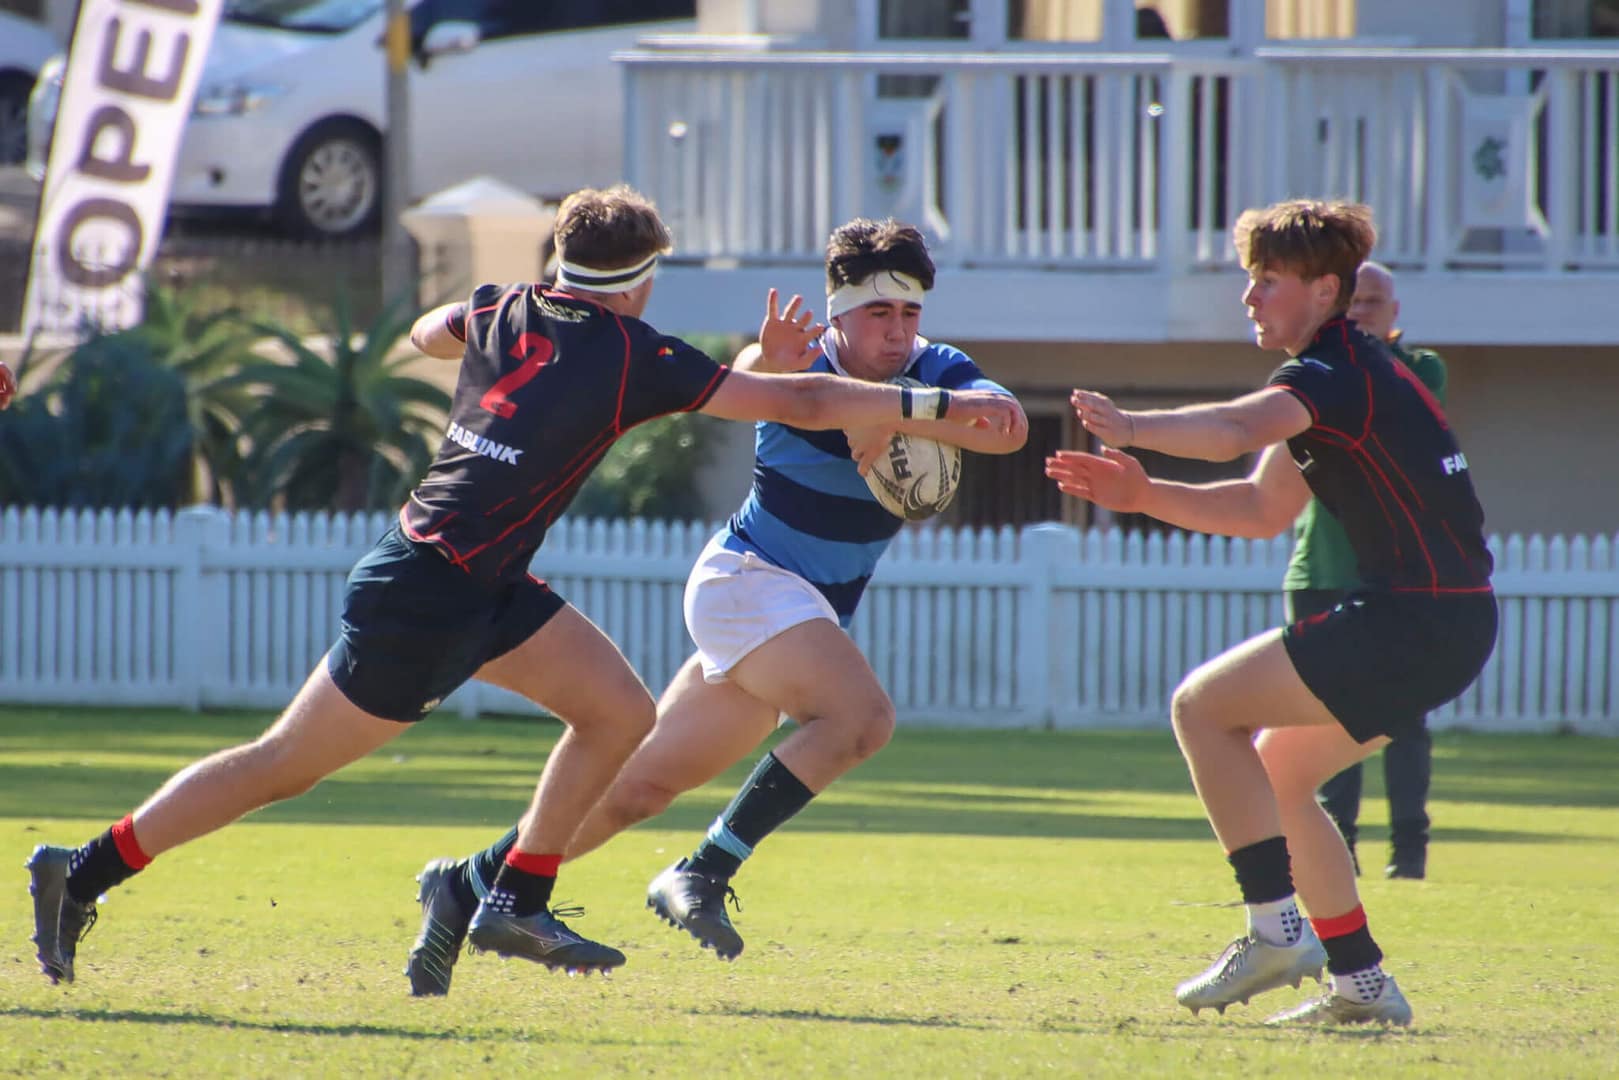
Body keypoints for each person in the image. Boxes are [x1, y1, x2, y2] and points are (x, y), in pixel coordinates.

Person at [25, 187, 1021, 988]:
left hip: (480, 577)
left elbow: (429, 333)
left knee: (618, 713)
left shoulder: (503, 307)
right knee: (281, 766)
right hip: (428, 592)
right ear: (639, 284)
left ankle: (510, 898)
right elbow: (796, 398)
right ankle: (86, 869)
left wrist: (481, 333)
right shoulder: (630, 352)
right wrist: (926, 406)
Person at [404, 217, 1029, 995]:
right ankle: (704, 868)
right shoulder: (797, 362)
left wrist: (897, 409)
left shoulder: (935, 368)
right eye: (878, 313)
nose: (897, 331)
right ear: (837, 311)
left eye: (909, 313)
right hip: (748, 584)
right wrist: (829, 385)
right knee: (860, 719)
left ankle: (465, 884)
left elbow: (1007, 427)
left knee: (634, 791)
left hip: (794, 611)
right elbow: (752, 375)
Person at [1045, 199, 1495, 1027]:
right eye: (1249, 279)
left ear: (1323, 290)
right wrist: (1142, 494)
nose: (1248, 296)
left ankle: (1273, 931)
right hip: (1445, 624)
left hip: (1414, 620)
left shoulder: (1329, 374)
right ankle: (1361, 986)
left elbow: (1229, 429)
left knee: (1200, 707)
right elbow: (1260, 509)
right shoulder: (1344, 376)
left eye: (1267, 280)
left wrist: (1130, 425)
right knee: (1280, 778)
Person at [1292, 260, 1448, 881]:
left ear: (1395, 313)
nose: (1360, 311)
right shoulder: (1312, 372)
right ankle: (1339, 851)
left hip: (1397, 570)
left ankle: (1409, 852)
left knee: (1404, 717)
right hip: (1323, 568)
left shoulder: (1419, 369)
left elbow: (1393, 395)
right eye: (1351, 301)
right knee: (1328, 717)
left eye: (1373, 301)